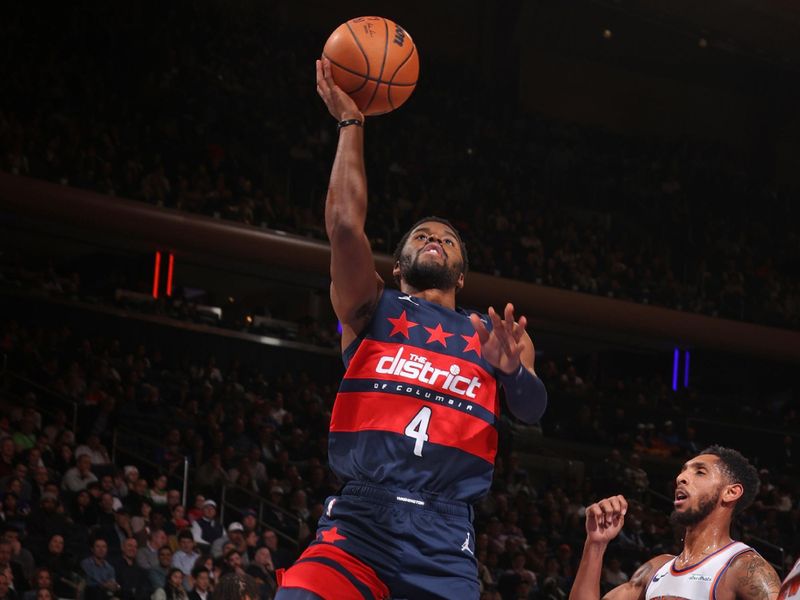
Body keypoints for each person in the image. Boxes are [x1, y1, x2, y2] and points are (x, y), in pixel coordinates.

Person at [274, 58, 548, 599]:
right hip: (360, 523)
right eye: (422, 235)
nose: (435, 240)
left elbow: (533, 409)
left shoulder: (494, 334)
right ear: (397, 266)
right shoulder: (372, 308)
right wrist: (352, 125)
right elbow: (345, 226)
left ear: (462, 275)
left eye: (448, 240)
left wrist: (513, 372)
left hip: (445, 539)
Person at [569, 446, 782, 600]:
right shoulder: (655, 568)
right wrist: (595, 545)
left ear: (731, 492)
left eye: (699, 472)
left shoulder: (746, 568)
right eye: (683, 470)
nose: (681, 477)